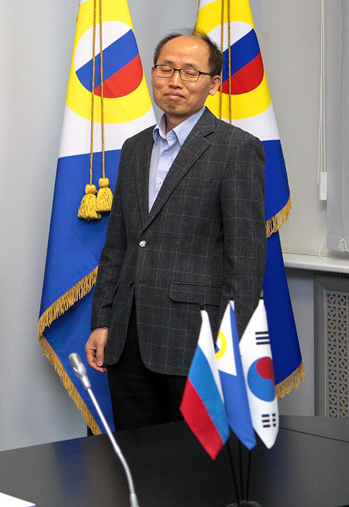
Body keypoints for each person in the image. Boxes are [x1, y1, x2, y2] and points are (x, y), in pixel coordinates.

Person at [85, 29, 266, 431]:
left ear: (213, 84)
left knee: (192, 460)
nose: (175, 81)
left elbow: (246, 259)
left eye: (190, 72)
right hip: (126, 338)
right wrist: (103, 321)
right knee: (135, 455)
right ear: (153, 74)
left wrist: (228, 346)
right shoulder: (135, 148)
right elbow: (118, 245)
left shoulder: (236, 148)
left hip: (197, 340)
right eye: (166, 69)